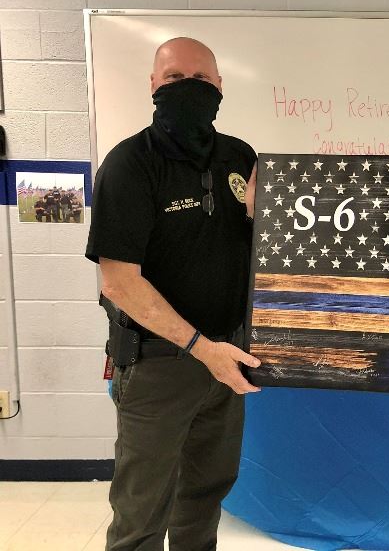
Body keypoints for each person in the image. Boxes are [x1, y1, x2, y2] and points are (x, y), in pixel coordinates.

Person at [86, 37, 261, 551]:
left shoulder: (240, 156)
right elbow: (118, 281)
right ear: (154, 86)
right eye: (176, 79)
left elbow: (253, 251)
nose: (191, 89)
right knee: (142, 513)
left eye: (202, 80)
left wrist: (257, 218)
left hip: (227, 360)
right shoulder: (129, 165)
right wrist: (201, 349)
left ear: (221, 87)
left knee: (204, 499)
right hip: (159, 365)